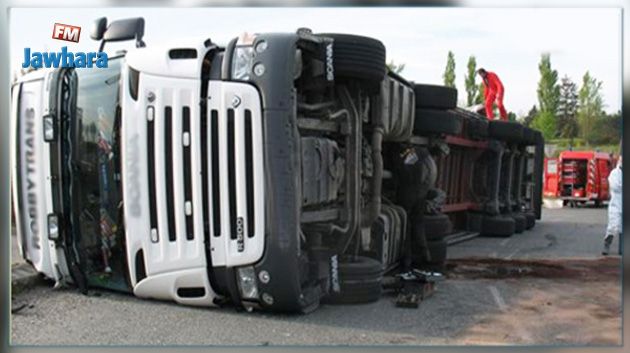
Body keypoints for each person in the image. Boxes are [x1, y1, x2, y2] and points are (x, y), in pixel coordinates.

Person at [602, 156, 622, 255]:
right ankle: (607, 244)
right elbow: (616, 186)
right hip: (616, 205)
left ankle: (622, 249)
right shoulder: (614, 173)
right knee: (613, 226)